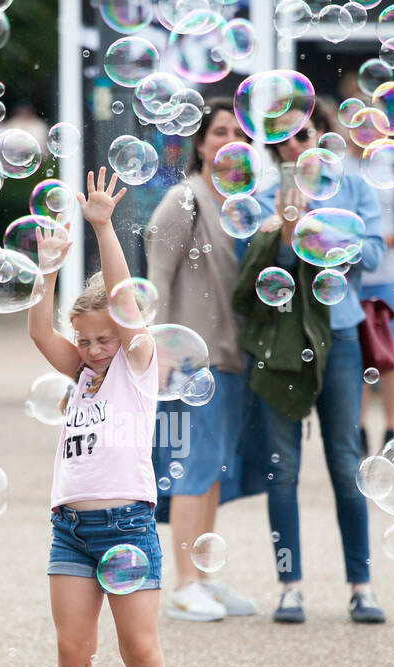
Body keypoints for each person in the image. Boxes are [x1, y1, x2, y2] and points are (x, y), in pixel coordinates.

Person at [26, 167, 204, 667]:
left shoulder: (136, 366)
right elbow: (39, 330)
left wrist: (102, 226)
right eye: (87, 340)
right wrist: (48, 268)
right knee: (72, 650)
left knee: (141, 653)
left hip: (127, 525)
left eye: (104, 338)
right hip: (70, 530)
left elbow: (126, 305)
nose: (95, 348)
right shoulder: (83, 371)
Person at [239, 101, 388, 625]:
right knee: (283, 469)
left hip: (341, 336)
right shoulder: (263, 195)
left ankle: (361, 585)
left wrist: (321, 230)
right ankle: (290, 586)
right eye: (283, 141)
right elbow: (258, 278)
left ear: (323, 134)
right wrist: (284, 231)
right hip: (284, 346)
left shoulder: (352, 187)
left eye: (303, 136)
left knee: (346, 466)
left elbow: (373, 254)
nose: (294, 147)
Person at [145, 98, 256, 623]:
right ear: (200, 143)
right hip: (191, 363)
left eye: (237, 132)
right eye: (218, 131)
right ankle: (184, 583)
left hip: (230, 357)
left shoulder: (239, 201)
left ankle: (206, 577)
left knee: (213, 472)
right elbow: (156, 279)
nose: (228, 138)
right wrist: (162, 349)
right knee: (191, 470)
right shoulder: (184, 200)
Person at [346, 127, 394, 452]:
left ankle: (391, 429)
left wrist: (389, 240)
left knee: (390, 356)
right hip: (349, 277)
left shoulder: (393, 163)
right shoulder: (337, 166)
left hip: (388, 273)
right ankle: (360, 428)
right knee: (355, 356)